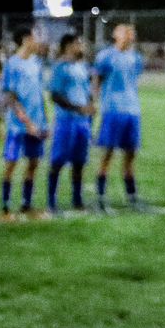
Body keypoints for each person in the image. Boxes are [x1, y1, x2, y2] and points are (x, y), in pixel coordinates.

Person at [92, 22, 145, 211]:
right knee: (107, 154)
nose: (129, 35)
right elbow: (97, 80)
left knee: (130, 155)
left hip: (132, 111)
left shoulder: (136, 58)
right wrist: (95, 101)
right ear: (116, 35)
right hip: (112, 110)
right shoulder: (105, 56)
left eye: (131, 33)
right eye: (125, 32)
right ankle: (100, 197)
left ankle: (132, 197)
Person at [0, 28, 47, 219]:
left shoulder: (37, 63)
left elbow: (39, 95)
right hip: (18, 126)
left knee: (33, 163)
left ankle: (26, 204)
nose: (38, 41)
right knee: (12, 163)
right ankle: (5, 207)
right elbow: (11, 97)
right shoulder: (12, 64)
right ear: (26, 39)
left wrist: (44, 123)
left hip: (37, 123)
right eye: (36, 37)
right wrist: (27, 122)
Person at [47, 33, 95, 214]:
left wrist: (90, 106)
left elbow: (86, 91)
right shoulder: (60, 67)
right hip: (66, 121)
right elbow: (55, 95)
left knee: (79, 162)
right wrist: (77, 108)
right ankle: (52, 201)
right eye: (78, 43)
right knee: (58, 161)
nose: (82, 47)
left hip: (82, 122)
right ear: (68, 46)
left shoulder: (82, 66)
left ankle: (77, 200)